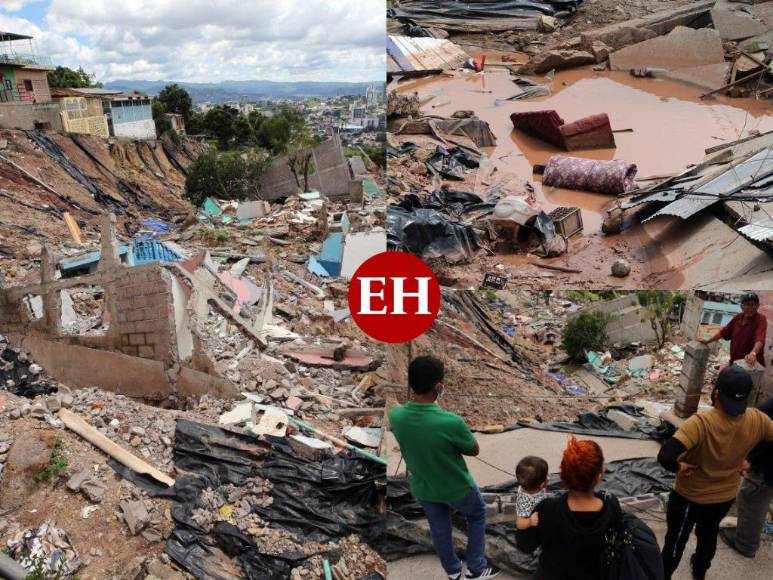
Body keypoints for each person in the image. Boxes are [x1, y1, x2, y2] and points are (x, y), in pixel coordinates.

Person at [389, 356, 500, 580]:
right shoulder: (451, 422)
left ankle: (452, 570)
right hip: (456, 487)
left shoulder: (396, 416)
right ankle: (477, 567)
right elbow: (473, 449)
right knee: (477, 514)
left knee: (439, 528)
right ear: (439, 387)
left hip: (424, 487)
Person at [658, 366, 773, 579]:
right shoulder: (758, 420)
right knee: (708, 534)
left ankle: (665, 574)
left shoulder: (700, 424)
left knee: (676, 540)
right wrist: (753, 461)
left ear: (716, 393)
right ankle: (700, 571)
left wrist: (679, 467)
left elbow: (665, 456)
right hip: (723, 498)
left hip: (689, 497)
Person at [516, 436, 619, 579]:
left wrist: (524, 520)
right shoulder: (611, 504)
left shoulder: (547, 509)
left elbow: (525, 546)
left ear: (563, 474)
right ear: (598, 476)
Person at [720, 394, 773, 558]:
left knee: (751, 499)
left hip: (766, 468)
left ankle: (745, 544)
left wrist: (750, 458)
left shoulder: (767, 411)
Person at [699, 293, 766, 367]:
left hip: (749, 365)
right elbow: (724, 333)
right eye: (747, 305)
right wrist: (708, 341)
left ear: (758, 306)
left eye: (753, 305)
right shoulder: (738, 317)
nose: (750, 308)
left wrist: (753, 353)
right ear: (742, 306)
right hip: (734, 362)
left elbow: (760, 338)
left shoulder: (761, 319)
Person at [515, 456, 549, 530]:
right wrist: (529, 521)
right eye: (547, 476)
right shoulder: (525, 501)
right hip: (534, 527)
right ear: (542, 484)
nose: (549, 477)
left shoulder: (530, 486)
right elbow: (519, 523)